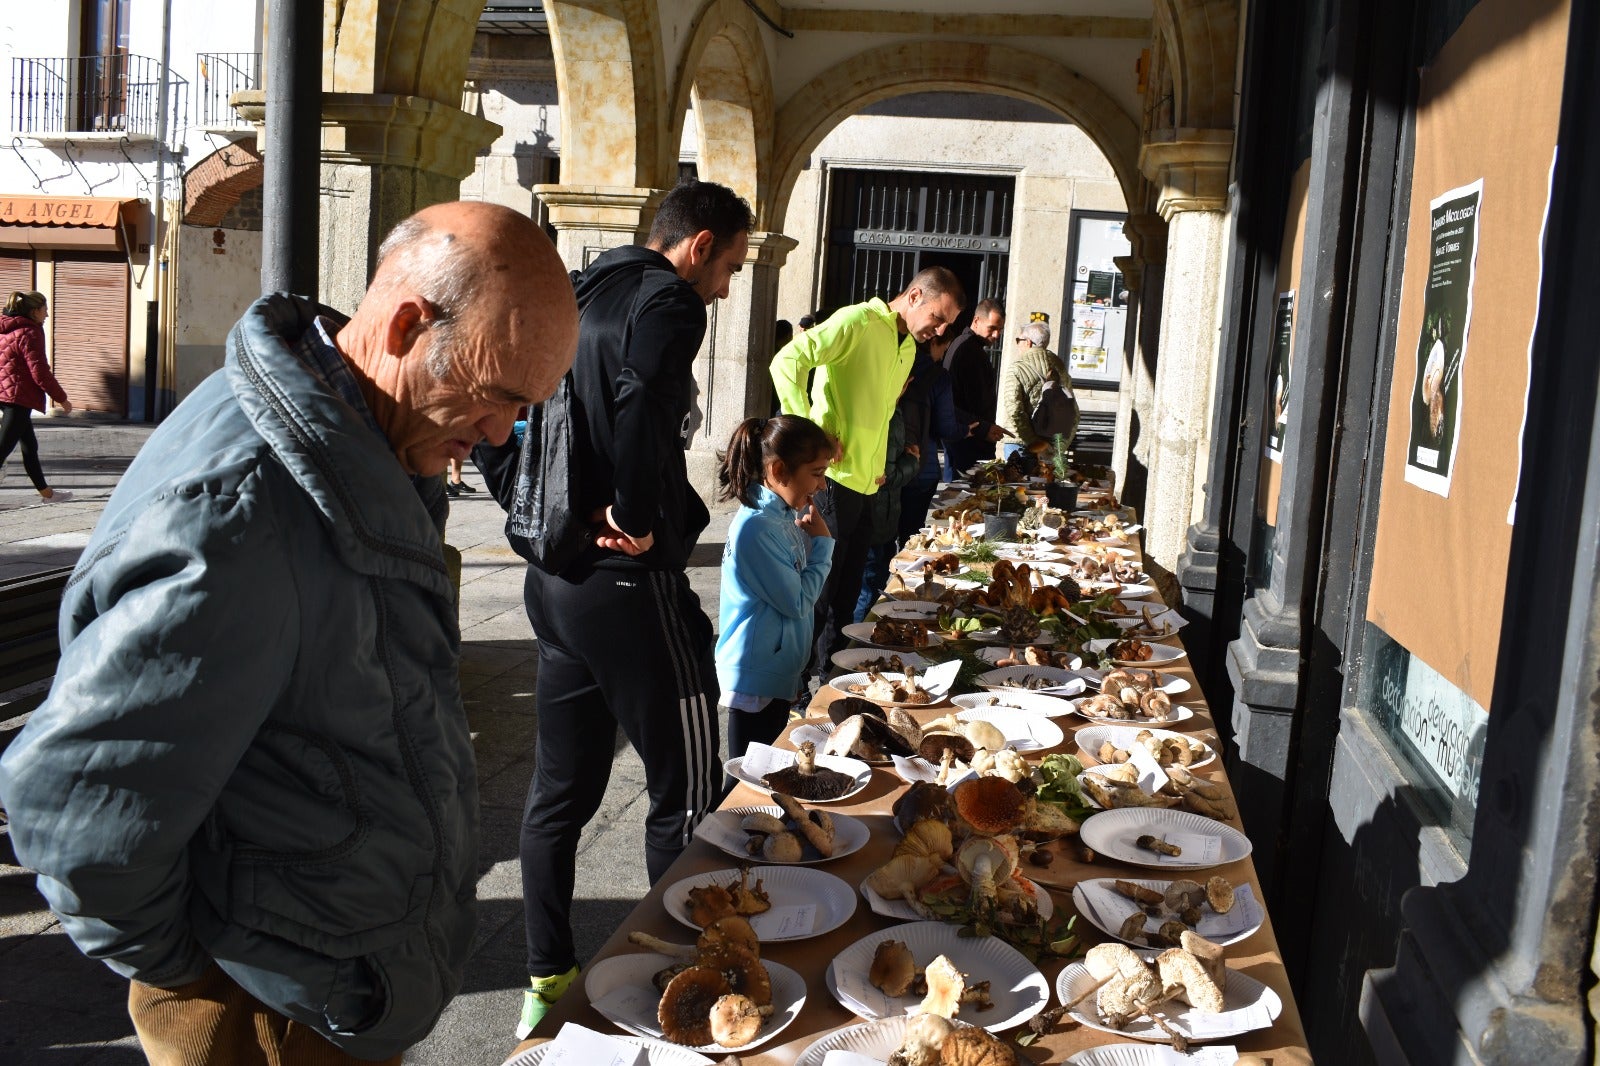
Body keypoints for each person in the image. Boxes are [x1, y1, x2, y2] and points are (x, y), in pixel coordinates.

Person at [0, 202, 579, 1065]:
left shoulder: (366, 443)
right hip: (269, 1006)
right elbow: (78, 806)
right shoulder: (244, 519)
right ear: (409, 324)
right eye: (496, 398)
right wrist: (197, 977)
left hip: (313, 980)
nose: (499, 435)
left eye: (524, 409)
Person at [516, 179, 754, 1038]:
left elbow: (520, 407)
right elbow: (643, 396)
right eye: (729, 266)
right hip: (623, 582)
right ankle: (682, 987)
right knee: (687, 792)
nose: (727, 287)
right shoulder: (669, 303)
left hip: (556, 581)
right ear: (698, 246)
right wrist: (634, 514)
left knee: (557, 796)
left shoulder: (585, 283)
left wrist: (555, 518)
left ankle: (547, 974)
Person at [771, 267, 964, 683]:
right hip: (831, 483)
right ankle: (798, 691)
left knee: (846, 597)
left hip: (866, 488)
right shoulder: (857, 320)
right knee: (820, 598)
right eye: (938, 317)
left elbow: (882, 409)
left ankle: (830, 684)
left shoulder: (908, 348)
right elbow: (786, 362)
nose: (941, 329)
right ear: (915, 297)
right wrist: (810, 434)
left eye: (948, 323)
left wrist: (879, 465)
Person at [715, 414, 835, 770]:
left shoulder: (781, 517)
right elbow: (798, 601)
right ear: (779, 469)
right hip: (757, 676)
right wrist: (824, 545)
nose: (822, 485)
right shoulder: (758, 528)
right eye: (815, 473)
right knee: (750, 776)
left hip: (774, 669)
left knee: (769, 768)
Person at [0, 290, 74, 502]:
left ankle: (47, 494)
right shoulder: (29, 332)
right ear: (34, 311)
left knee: (30, 447)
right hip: (17, 398)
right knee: (2, 449)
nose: (47, 315)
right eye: (45, 310)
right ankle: (48, 494)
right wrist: (61, 398)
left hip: (6, 396)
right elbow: (39, 372)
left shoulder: (6, 328)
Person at [854, 390, 921, 622]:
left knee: (870, 588)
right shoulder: (887, 410)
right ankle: (857, 644)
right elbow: (886, 475)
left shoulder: (887, 407)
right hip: (877, 518)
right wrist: (912, 461)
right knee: (869, 593)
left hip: (881, 517)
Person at [942, 297, 1006, 477]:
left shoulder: (970, 347)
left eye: (1000, 330)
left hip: (969, 437)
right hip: (966, 440)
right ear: (976, 321)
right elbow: (960, 402)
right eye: (992, 328)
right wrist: (984, 429)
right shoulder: (966, 349)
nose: (996, 335)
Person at [1002, 315, 1074, 458]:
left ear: (1028, 342)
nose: (1018, 344)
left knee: (1017, 480)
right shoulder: (1060, 369)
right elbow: (1074, 412)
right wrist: (1058, 447)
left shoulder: (1017, 369)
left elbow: (1014, 410)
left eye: (1019, 340)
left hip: (1019, 442)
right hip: (1049, 445)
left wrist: (1033, 442)